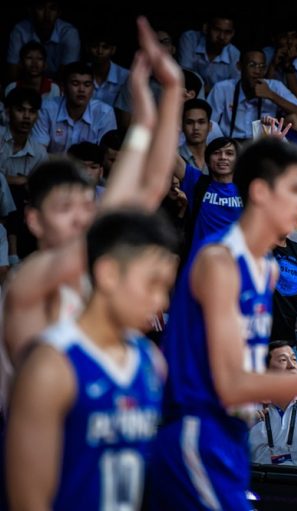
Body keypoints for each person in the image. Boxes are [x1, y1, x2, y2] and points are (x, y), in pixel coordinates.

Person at [148, 137, 297, 511]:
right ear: (260, 192)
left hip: (230, 439)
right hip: (197, 435)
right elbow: (228, 384)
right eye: (295, 190)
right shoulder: (221, 262)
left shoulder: (266, 270)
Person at [2, 15, 184, 399]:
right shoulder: (28, 281)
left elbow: (152, 185)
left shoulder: (84, 269)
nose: (83, 215)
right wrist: (147, 123)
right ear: (33, 219)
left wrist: (169, 92)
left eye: (88, 204)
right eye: (66, 207)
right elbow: (141, 193)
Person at [5, 209, 178, 511]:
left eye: (166, 288)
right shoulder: (51, 366)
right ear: (109, 273)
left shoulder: (151, 361)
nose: (161, 301)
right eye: (152, 284)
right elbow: (28, 502)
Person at [207, 47, 297, 140]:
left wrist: (271, 95)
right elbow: (210, 124)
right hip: (230, 145)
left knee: (296, 119)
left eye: (262, 67)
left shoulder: (274, 87)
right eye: (252, 65)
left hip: (262, 147)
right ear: (239, 66)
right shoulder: (223, 88)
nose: (257, 71)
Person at [31, 61, 117, 154]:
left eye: (87, 85)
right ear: (63, 87)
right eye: (75, 84)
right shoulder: (46, 109)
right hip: (52, 167)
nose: (81, 90)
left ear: (93, 89)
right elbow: (39, 154)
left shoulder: (104, 113)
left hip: (89, 168)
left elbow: (107, 155)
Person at [6, 0, 80, 80]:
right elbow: (12, 75)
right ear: (31, 11)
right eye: (40, 8)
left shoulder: (69, 33)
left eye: (52, 8)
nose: (47, 16)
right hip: (27, 86)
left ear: (59, 13)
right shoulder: (20, 31)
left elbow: (68, 76)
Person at [178, 10, 240, 93]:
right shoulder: (190, 39)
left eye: (227, 32)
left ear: (233, 34)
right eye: (217, 30)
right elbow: (185, 76)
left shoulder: (234, 53)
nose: (221, 37)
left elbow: (233, 88)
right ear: (206, 28)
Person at [84, 28, 130, 107]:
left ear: (113, 50)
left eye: (105, 47)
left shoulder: (125, 77)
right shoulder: (79, 72)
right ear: (87, 48)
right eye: (95, 46)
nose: (100, 51)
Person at [179, 98, 214, 173]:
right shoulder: (174, 158)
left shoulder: (217, 157)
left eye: (201, 122)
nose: (196, 128)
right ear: (182, 126)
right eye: (189, 122)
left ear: (210, 126)